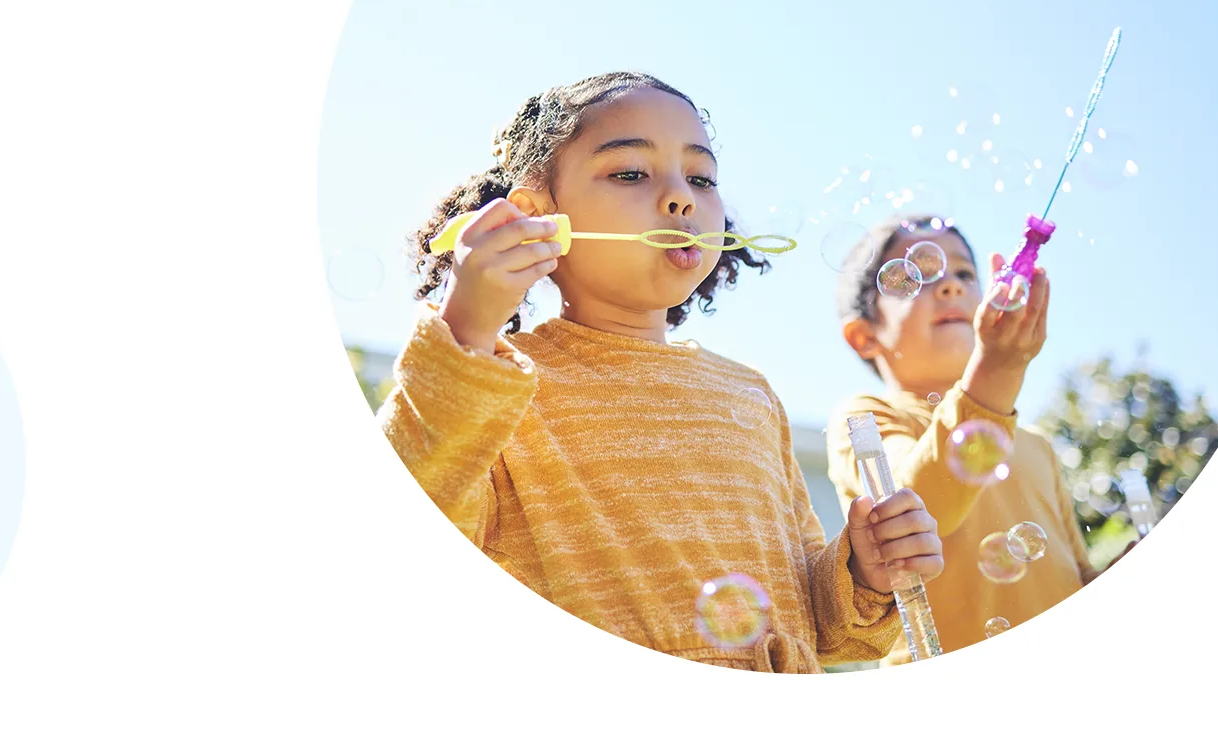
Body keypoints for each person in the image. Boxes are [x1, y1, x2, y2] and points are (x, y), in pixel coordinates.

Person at [375, 72, 944, 672]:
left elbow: (808, 612)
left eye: (701, 178)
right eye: (629, 173)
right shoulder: (494, 386)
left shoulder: (750, 396)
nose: (681, 198)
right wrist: (465, 329)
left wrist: (861, 573)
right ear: (535, 215)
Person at [824, 215, 1125, 664]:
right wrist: (997, 371)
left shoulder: (1035, 445)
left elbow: (1074, 577)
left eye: (964, 273)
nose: (951, 286)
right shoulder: (867, 417)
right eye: (919, 274)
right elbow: (912, 511)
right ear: (865, 335)